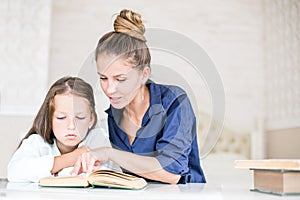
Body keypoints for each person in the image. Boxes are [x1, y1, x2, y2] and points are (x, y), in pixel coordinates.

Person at [71, 9, 206, 184]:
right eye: (103, 78)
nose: (110, 90)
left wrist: (108, 153)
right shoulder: (115, 113)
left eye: (120, 79)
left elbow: (171, 173)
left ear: (144, 74)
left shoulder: (175, 101)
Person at [7, 76, 119, 182]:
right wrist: (73, 157)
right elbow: (14, 172)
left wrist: (53, 170)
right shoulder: (37, 143)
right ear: (49, 118)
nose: (71, 126)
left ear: (91, 118)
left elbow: (102, 174)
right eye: (61, 118)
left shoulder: (99, 139)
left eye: (80, 117)